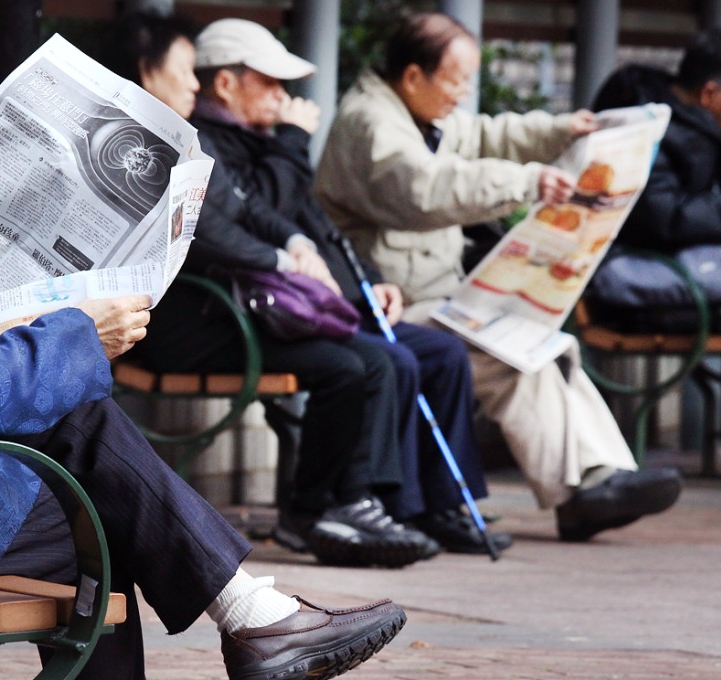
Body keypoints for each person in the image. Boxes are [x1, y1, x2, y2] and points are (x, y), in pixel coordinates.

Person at [0, 7, 407, 680]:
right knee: (94, 506)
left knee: (85, 454)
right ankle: (255, 617)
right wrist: (80, 336)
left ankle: (257, 618)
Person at [313, 11, 683, 542]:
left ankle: (601, 477)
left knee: (546, 344)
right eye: (456, 80)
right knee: (511, 356)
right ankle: (583, 490)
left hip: (435, 296)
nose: (463, 93)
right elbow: (426, 189)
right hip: (387, 304)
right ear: (413, 76)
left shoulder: (418, 113)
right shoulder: (370, 125)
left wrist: (563, 130)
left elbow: (489, 134)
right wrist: (528, 182)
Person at [101, 11, 455, 566]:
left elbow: (248, 210)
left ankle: (338, 506)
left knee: (363, 362)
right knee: (350, 366)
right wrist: (283, 258)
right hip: (185, 324)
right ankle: (320, 509)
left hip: (222, 313)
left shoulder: (182, 137)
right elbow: (206, 232)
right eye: (185, 70)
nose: (194, 82)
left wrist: (294, 244)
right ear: (148, 72)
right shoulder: (140, 145)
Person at [173, 16, 513, 556]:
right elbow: (252, 214)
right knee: (377, 362)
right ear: (226, 83)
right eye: (271, 82)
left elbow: (314, 227)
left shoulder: (264, 140)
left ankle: (438, 504)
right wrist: (290, 144)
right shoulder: (212, 143)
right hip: (243, 312)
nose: (284, 96)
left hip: (309, 303)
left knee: (442, 354)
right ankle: (357, 506)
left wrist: (371, 281)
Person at [588, 29, 721, 333]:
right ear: (709, 94)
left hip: (678, 259)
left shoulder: (690, 121)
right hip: (640, 267)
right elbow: (665, 217)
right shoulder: (646, 129)